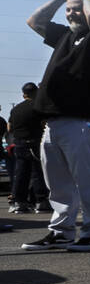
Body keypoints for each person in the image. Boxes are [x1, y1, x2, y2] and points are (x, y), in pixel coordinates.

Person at [19, 0, 90, 252]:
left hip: (82, 122)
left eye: (78, 8)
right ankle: (61, 232)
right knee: (58, 185)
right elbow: (35, 21)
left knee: (87, 180)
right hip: (53, 122)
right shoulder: (65, 35)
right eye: (69, 10)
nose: (72, 14)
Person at [7, 82, 48, 214]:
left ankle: (19, 202)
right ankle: (41, 201)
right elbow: (44, 124)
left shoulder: (15, 109)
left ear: (24, 94)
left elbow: (9, 127)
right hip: (35, 143)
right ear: (36, 92)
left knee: (20, 174)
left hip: (19, 144)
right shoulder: (38, 107)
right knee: (38, 173)